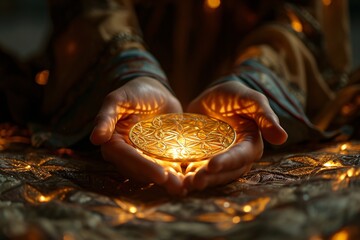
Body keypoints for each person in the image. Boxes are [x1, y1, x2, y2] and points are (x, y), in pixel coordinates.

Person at [0, 0, 358, 195]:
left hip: (246, 54)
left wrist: (258, 78)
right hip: (109, 58)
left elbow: (301, 14)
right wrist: (128, 69)